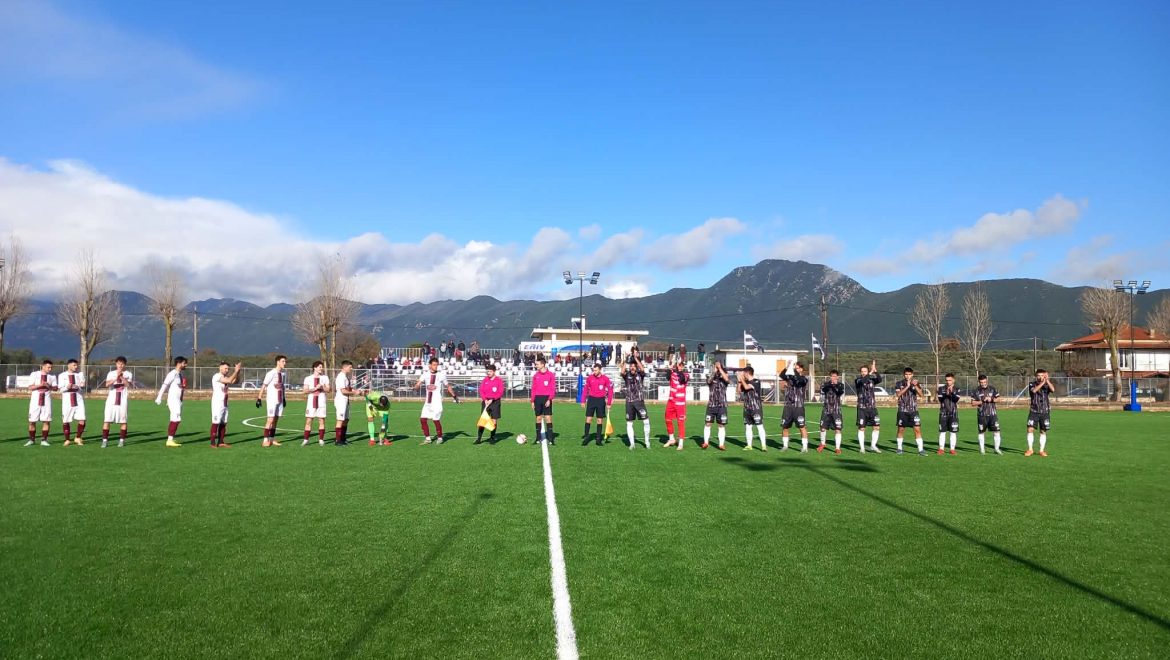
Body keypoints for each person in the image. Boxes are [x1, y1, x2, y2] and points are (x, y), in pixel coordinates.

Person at [415, 356, 459, 444]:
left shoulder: (441, 375)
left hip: (436, 402)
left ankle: (440, 438)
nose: (436, 366)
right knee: (423, 419)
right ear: (429, 365)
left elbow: (448, 386)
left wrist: (455, 396)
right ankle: (428, 438)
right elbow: (418, 384)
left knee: (435, 420)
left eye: (437, 365)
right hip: (428, 402)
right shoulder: (425, 374)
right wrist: (416, 386)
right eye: (434, 365)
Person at [154, 356, 188, 448]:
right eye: (184, 363)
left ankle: (171, 439)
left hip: (178, 400)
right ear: (179, 363)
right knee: (176, 419)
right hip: (174, 400)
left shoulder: (179, 374)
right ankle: (169, 440)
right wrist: (159, 397)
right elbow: (165, 385)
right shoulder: (172, 374)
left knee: (175, 419)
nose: (186, 365)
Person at [256, 355, 288, 447]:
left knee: (275, 420)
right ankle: (265, 440)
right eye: (283, 361)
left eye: (285, 361)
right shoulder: (271, 373)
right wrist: (259, 398)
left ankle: (272, 439)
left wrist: (284, 398)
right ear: (278, 362)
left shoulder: (282, 374)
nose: (285, 363)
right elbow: (264, 385)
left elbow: (282, 387)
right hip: (272, 400)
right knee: (270, 420)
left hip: (280, 400)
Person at [101, 356, 133, 448]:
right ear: (116, 364)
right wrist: (116, 378)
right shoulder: (111, 373)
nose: (120, 365)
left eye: (122, 364)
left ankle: (121, 440)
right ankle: (105, 441)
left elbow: (128, 385)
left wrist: (122, 377)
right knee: (107, 420)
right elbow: (107, 384)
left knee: (123, 420)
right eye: (119, 363)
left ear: (125, 365)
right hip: (111, 400)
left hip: (122, 400)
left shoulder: (128, 374)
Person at [621, 353, 651, 449]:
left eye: (634, 366)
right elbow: (622, 372)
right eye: (631, 366)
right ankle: (632, 444)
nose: (632, 368)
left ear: (636, 367)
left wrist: (636, 358)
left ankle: (647, 441)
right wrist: (626, 359)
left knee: (646, 421)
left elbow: (642, 369)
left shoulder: (640, 375)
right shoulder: (627, 375)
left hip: (639, 402)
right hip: (629, 402)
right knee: (629, 423)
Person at [210, 361, 242, 447]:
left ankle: (221, 442)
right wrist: (235, 371)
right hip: (217, 403)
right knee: (216, 422)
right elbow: (230, 380)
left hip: (225, 402)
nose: (227, 370)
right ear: (220, 368)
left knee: (224, 422)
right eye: (225, 368)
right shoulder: (217, 376)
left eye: (228, 369)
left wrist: (238, 372)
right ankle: (212, 443)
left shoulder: (225, 377)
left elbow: (236, 381)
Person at [582, 362, 614, 446]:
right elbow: (585, 389)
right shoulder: (590, 378)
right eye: (594, 370)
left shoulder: (605, 379)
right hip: (591, 400)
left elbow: (610, 391)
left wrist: (609, 402)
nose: (594, 372)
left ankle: (598, 439)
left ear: (600, 370)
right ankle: (586, 438)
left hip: (601, 401)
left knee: (599, 420)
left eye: (596, 370)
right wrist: (583, 401)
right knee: (588, 419)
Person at [894, 367, 925, 455]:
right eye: (906, 374)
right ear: (904, 375)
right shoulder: (899, 383)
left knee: (917, 429)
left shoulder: (916, 383)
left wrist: (915, 386)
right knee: (901, 429)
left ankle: (921, 450)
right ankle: (899, 448)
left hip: (913, 411)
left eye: (909, 374)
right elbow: (898, 394)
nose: (908, 376)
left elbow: (921, 395)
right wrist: (907, 386)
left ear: (912, 374)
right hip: (902, 410)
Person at [779, 362, 809, 452]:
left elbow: (798, 379)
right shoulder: (790, 377)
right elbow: (781, 375)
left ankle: (804, 447)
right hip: (788, 406)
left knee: (802, 427)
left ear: (801, 369)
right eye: (795, 368)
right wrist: (787, 367)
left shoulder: (804, 379)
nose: (795, 370)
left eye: (797, 368)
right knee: (785, 426)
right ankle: (785, 446)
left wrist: (793, 370)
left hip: (798, 407)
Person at [855, 360, 882, 453]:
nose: (863, 373)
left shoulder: (871, 380)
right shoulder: (858, 380)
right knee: (862, 428)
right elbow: (864, 380)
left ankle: (873, 446)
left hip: (872, 408)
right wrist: (870, 372)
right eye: (862, 371)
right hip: (862, 408)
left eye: (865, 371)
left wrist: (875, 371)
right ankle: (862, 448)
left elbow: (879, 379)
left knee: (876, 427)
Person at [301, 361, 331, 446]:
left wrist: (322, 387)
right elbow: (305, 391)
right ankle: (306, 440)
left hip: (321, 401)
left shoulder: (325, 378)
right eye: (320, 367)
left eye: (322, 367)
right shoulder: (308, 378)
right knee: (308, 420)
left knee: (321, 420)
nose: (321, 368)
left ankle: (321, 440)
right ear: (315, 368)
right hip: (311, 402)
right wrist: (314, 388)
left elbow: (328, 390)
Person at [26, 359, 55, 447]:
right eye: (48, 367)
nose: (50, 369)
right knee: (32, 421)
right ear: (43, 366)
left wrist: (48, 386)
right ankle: (31, 440)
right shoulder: (34, 374)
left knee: (46, 421)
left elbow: (55, 388)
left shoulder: (52, 377)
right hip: (35, 402)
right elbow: (30, 387)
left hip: (47, 402)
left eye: (51, 367)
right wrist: (40, 385)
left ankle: (44, 440)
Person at [970, 374, 1002, 455]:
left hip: (993, 415)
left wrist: (991, 399)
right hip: (982, 415)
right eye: (981, 382)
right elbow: (972, 403)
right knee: (981, 432)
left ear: (987, 381)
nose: (983, 384)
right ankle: (982, 450)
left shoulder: (992, 389)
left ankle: (997, 449)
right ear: (979, 382)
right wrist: (981, 401)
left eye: (984, 382)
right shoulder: (976, 391)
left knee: (996, 432)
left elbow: (999, 399)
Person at [1026, 368, 1054, 457]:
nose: (1040, 377)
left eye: (1042, 375)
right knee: (1030, 429)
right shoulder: (1032, 384)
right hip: (1034, 411)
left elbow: (1053, 390)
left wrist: (1047, 381)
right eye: (1038, 375)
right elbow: (1034, 391)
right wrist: (1043, 383)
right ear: (1036, 376)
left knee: (1043, 431)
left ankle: (1041, 450)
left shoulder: (1047, 384)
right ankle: (1030, 449)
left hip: (1045, 412)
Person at [703, 361, 730, 451]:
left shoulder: (724, 377)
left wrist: (720, 369)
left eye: (718, 366)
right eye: (716, 366)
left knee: (721, 425)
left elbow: (727, 379)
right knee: (708, 424)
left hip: (722, 405)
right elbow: (708, 381)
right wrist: (714, 371)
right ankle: (706, 442)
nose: (717, 368)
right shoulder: (711, 376)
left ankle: (721, 444)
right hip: (711, 405)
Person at [59, 358, 87, 446]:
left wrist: (78, 387)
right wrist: (67, 387)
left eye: (76, 365)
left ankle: (78, 438)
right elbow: (60, 390)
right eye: (74, 365)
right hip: (67, 401)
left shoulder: (79, 375)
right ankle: (67, 439)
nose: (76, 367)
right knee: (66, 420)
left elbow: (82, 388)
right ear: (69, 365)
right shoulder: (62, 375)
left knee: (82, 419)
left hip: (78, 399)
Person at [738, 366, 767, 450]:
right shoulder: (745, 382)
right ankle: (749, 445)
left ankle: (763, 446)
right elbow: (739, 391)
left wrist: (742, 379)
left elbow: (747, 387)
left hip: (756, 408)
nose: (743, 374)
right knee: (748, 426)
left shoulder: (756, 381)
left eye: (744, 373)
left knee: (759, 426)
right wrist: (739, 381)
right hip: (747, 408)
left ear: (747, 373)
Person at [663, 361, 690, 450]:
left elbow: (682, 379)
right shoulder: (673, 374)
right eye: (679, 365)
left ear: (683, 367)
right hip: (671, 401)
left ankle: (681, 443)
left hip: (680, 403)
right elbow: (667, 377)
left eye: (681, 365)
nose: (680, 367)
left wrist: (679, 370)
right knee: (667, 419)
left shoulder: (686, 375)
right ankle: (671, 439)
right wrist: (670, 367)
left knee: (680, 422)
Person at [476, 363, 504, 444]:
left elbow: (500, 392)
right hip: (486, 402)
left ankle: (492, 437)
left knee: (494, 420)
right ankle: (479, 439)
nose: (488, 373)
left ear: (494, 371)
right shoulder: (485, 380)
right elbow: (481, 390)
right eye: (487, 371)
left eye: (490, 371)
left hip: (495, 402)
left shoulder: (499, 380)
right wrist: (485, 399)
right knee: (483, 420)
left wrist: (492, 399)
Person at [531, 356, 556, 445]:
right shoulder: (536, 375)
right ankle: (538, 438)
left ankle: (551, 439)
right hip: (537, 398)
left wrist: (549, 399)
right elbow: (533, 389)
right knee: (538, 418)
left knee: (548, 418)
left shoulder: (550, 375)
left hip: (546, 398)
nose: (536, 366)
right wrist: (532, 401)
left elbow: (553, 388)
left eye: (537, 364)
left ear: (542, 364)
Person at [818, 370, 845, 454]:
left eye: (835, 376)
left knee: (838, 429)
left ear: (837, 377)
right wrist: (831, 384)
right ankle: (822, 444)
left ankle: (837, 448)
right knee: (823, 428)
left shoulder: (841, 385)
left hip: (836, 411)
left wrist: (835, 385)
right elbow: (824, 389)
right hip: (826, 410)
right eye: (832, 376)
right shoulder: (826, 384)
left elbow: (840, 392)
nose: (833, 378)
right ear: (830, 377)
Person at [334, 360, 359, 445]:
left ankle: (343, 439)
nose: (351, 369)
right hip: (341, 400)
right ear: (345, 367)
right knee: (340, 420)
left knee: (346, 419)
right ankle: (338, 440)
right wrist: (354, 393)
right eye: (350, 367)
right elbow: (343, 391)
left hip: (346, 400)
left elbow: (348, 388)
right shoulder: (341, 377)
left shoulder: (346, 377)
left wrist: (355, 390)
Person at [936, 373, 961, 455]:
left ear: (953, 380)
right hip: (943, 413)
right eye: (947, 380)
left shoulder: (957, 389)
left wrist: (951, 392)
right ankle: (941, 449)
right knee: (942, 431)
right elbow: (940, 399)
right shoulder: (941, 388)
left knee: (953, 432)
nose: (948, 382)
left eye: (950, 380)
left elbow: (956, 399)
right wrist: (945, 394)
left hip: (954, 413)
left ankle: (952, 449)